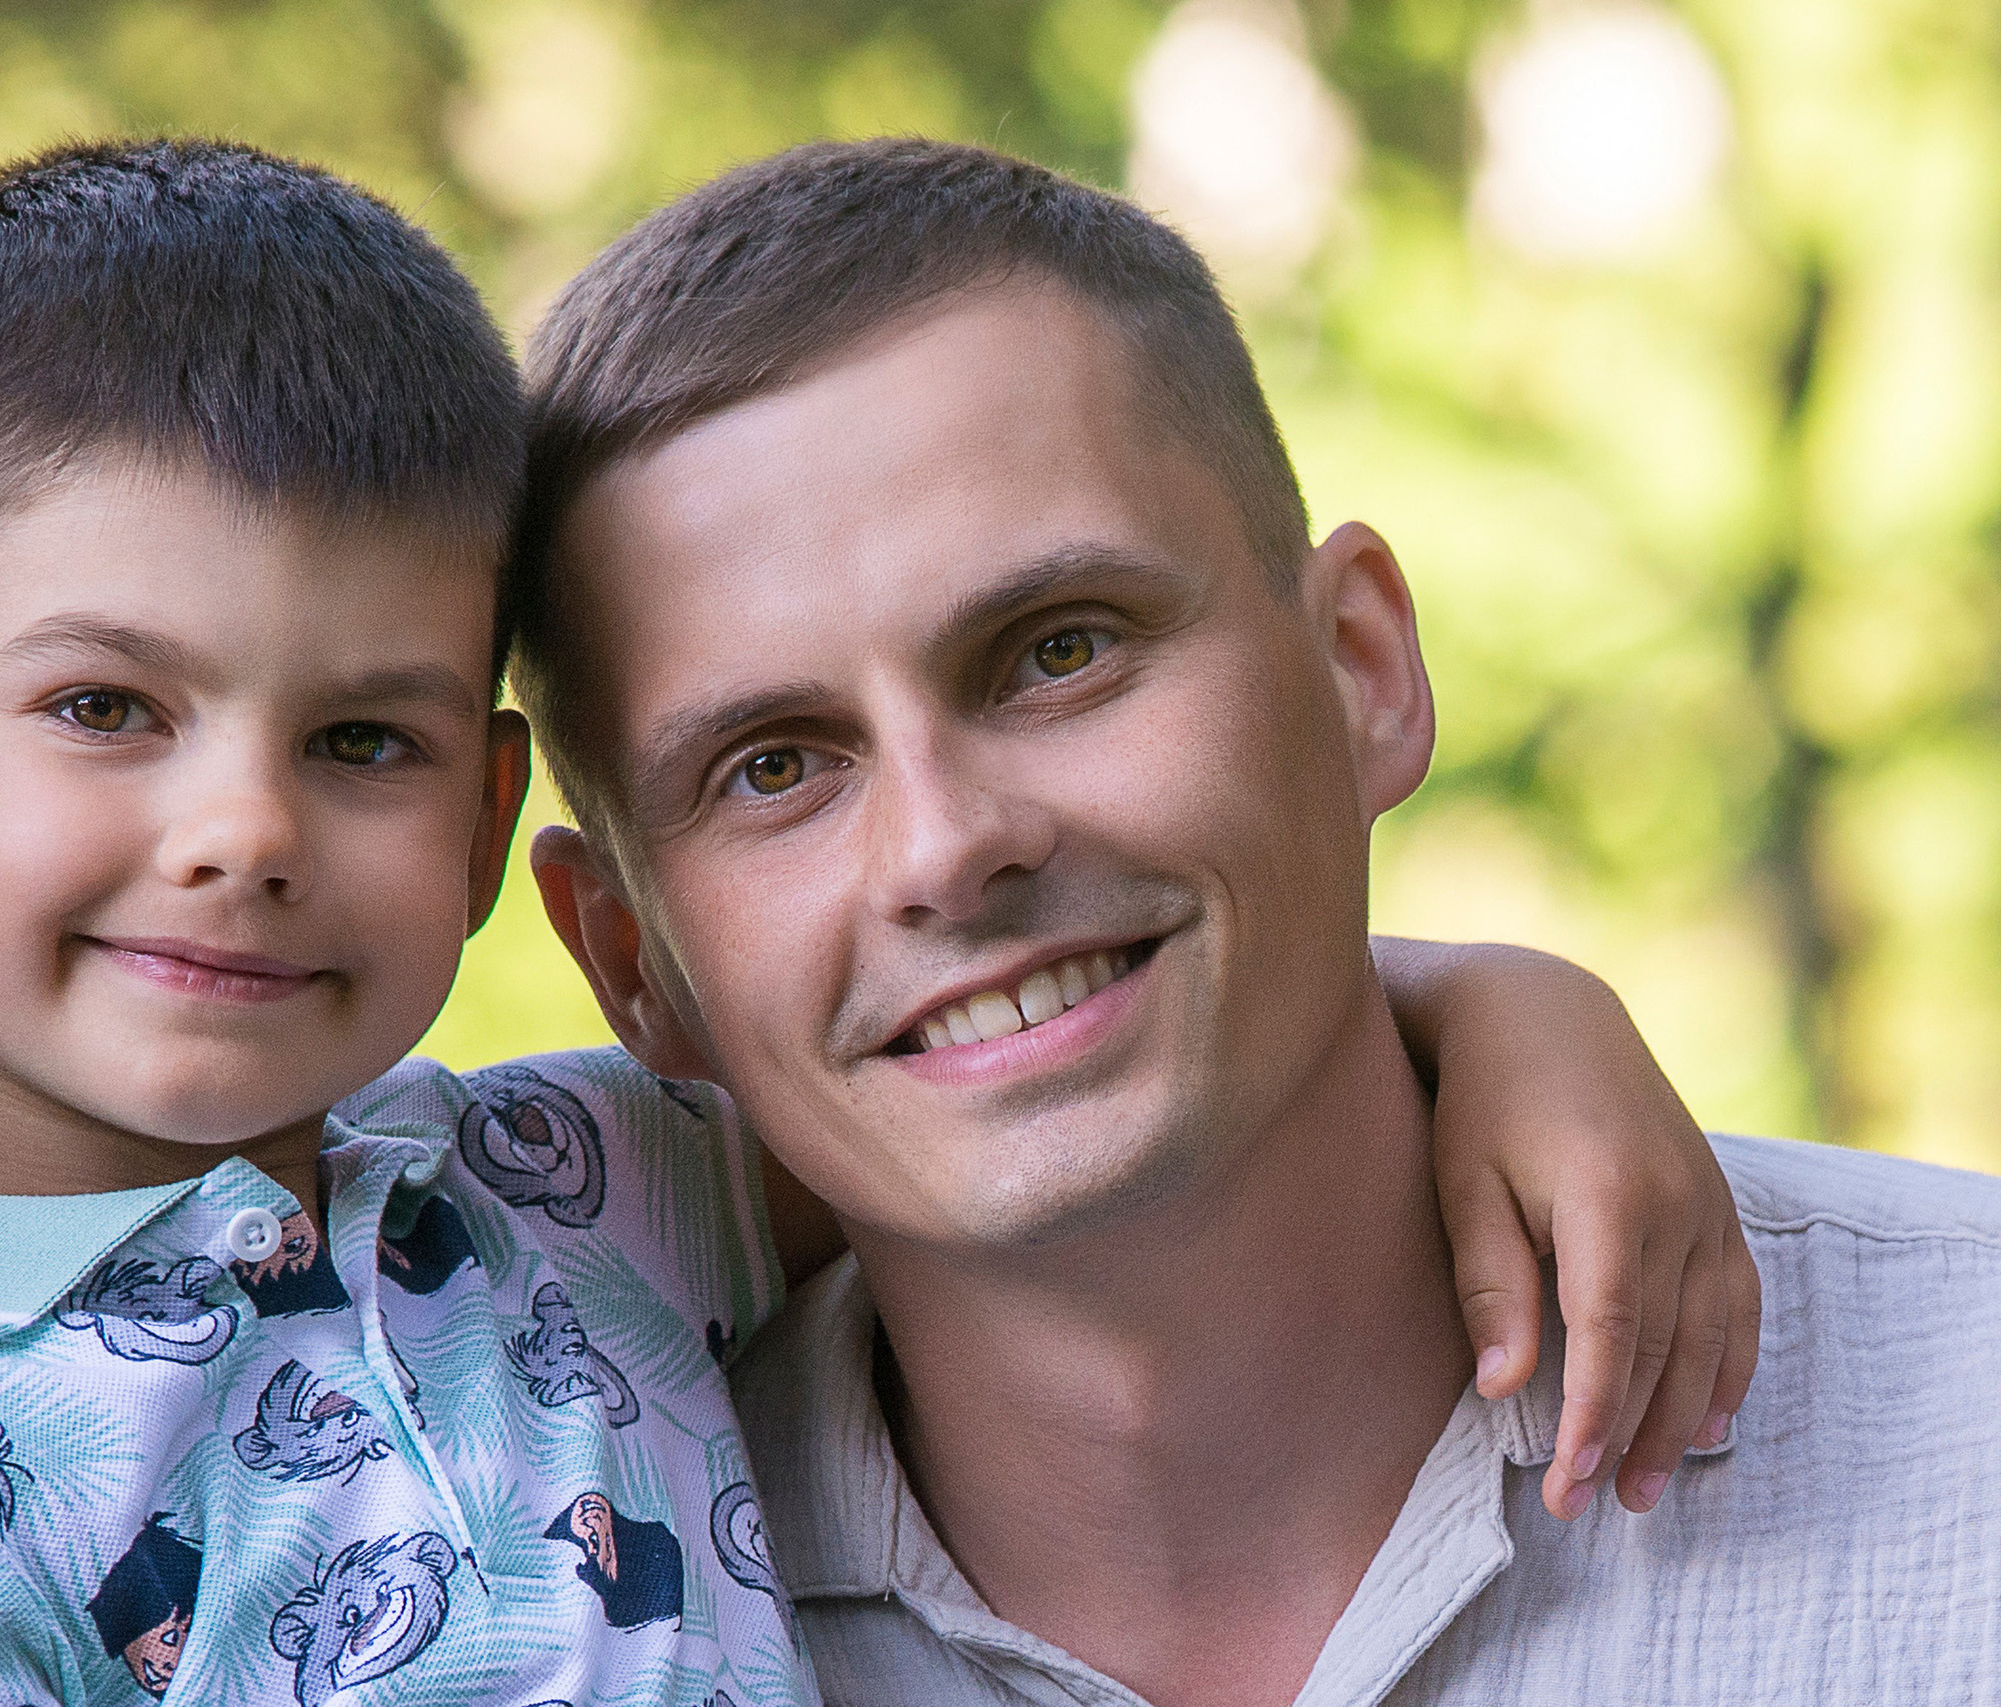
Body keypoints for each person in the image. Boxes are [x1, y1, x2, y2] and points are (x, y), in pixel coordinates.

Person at [0, 135, 1752, 1706]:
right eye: (103, 707)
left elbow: (1026, 1056)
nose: (242, 829)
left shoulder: (558, 1197)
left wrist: (1506, 1008)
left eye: (365, 740)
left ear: (495, 823)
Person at [513, 136, 2001, 1706]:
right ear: (628, 961)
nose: (947, 848)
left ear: (1361, 668)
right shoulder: (551, 1605)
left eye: (1058, 650)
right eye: (773, 767)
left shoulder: (1966, 1422)